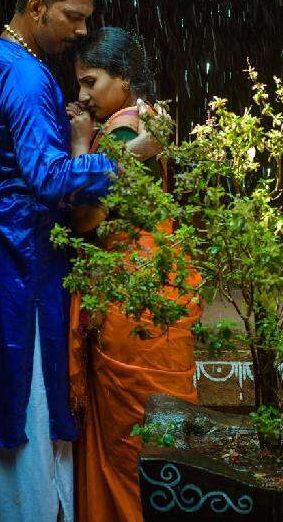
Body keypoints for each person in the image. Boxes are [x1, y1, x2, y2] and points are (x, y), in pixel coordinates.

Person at [0, 0, 159, 522]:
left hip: (12, 254)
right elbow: (49, 177)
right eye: (73, 17)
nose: (81, 31)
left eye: (86, 18)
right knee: (28, 406)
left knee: (22, 402)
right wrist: (126, 157)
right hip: (24, 265)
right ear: (36, 8)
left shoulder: (7, 60)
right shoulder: (26, 78)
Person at [67, 27, 203, 522]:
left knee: (127, 446)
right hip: (158, 278)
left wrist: (79, 145)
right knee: (153, 440)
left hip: (130, 293)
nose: (82, 95)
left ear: (123, 78)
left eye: (91, 81)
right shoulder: (146, 118)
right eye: (79, 83)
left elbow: (85, 217)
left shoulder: (120, 133)